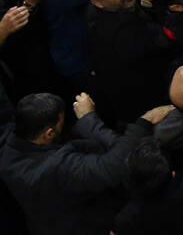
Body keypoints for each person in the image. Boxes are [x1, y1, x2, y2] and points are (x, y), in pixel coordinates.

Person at [0, 92, 173, 235]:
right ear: (49, 133)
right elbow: (112, 167)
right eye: (62, 122)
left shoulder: (9, 149)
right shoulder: (57, 167)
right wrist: (144, 121)